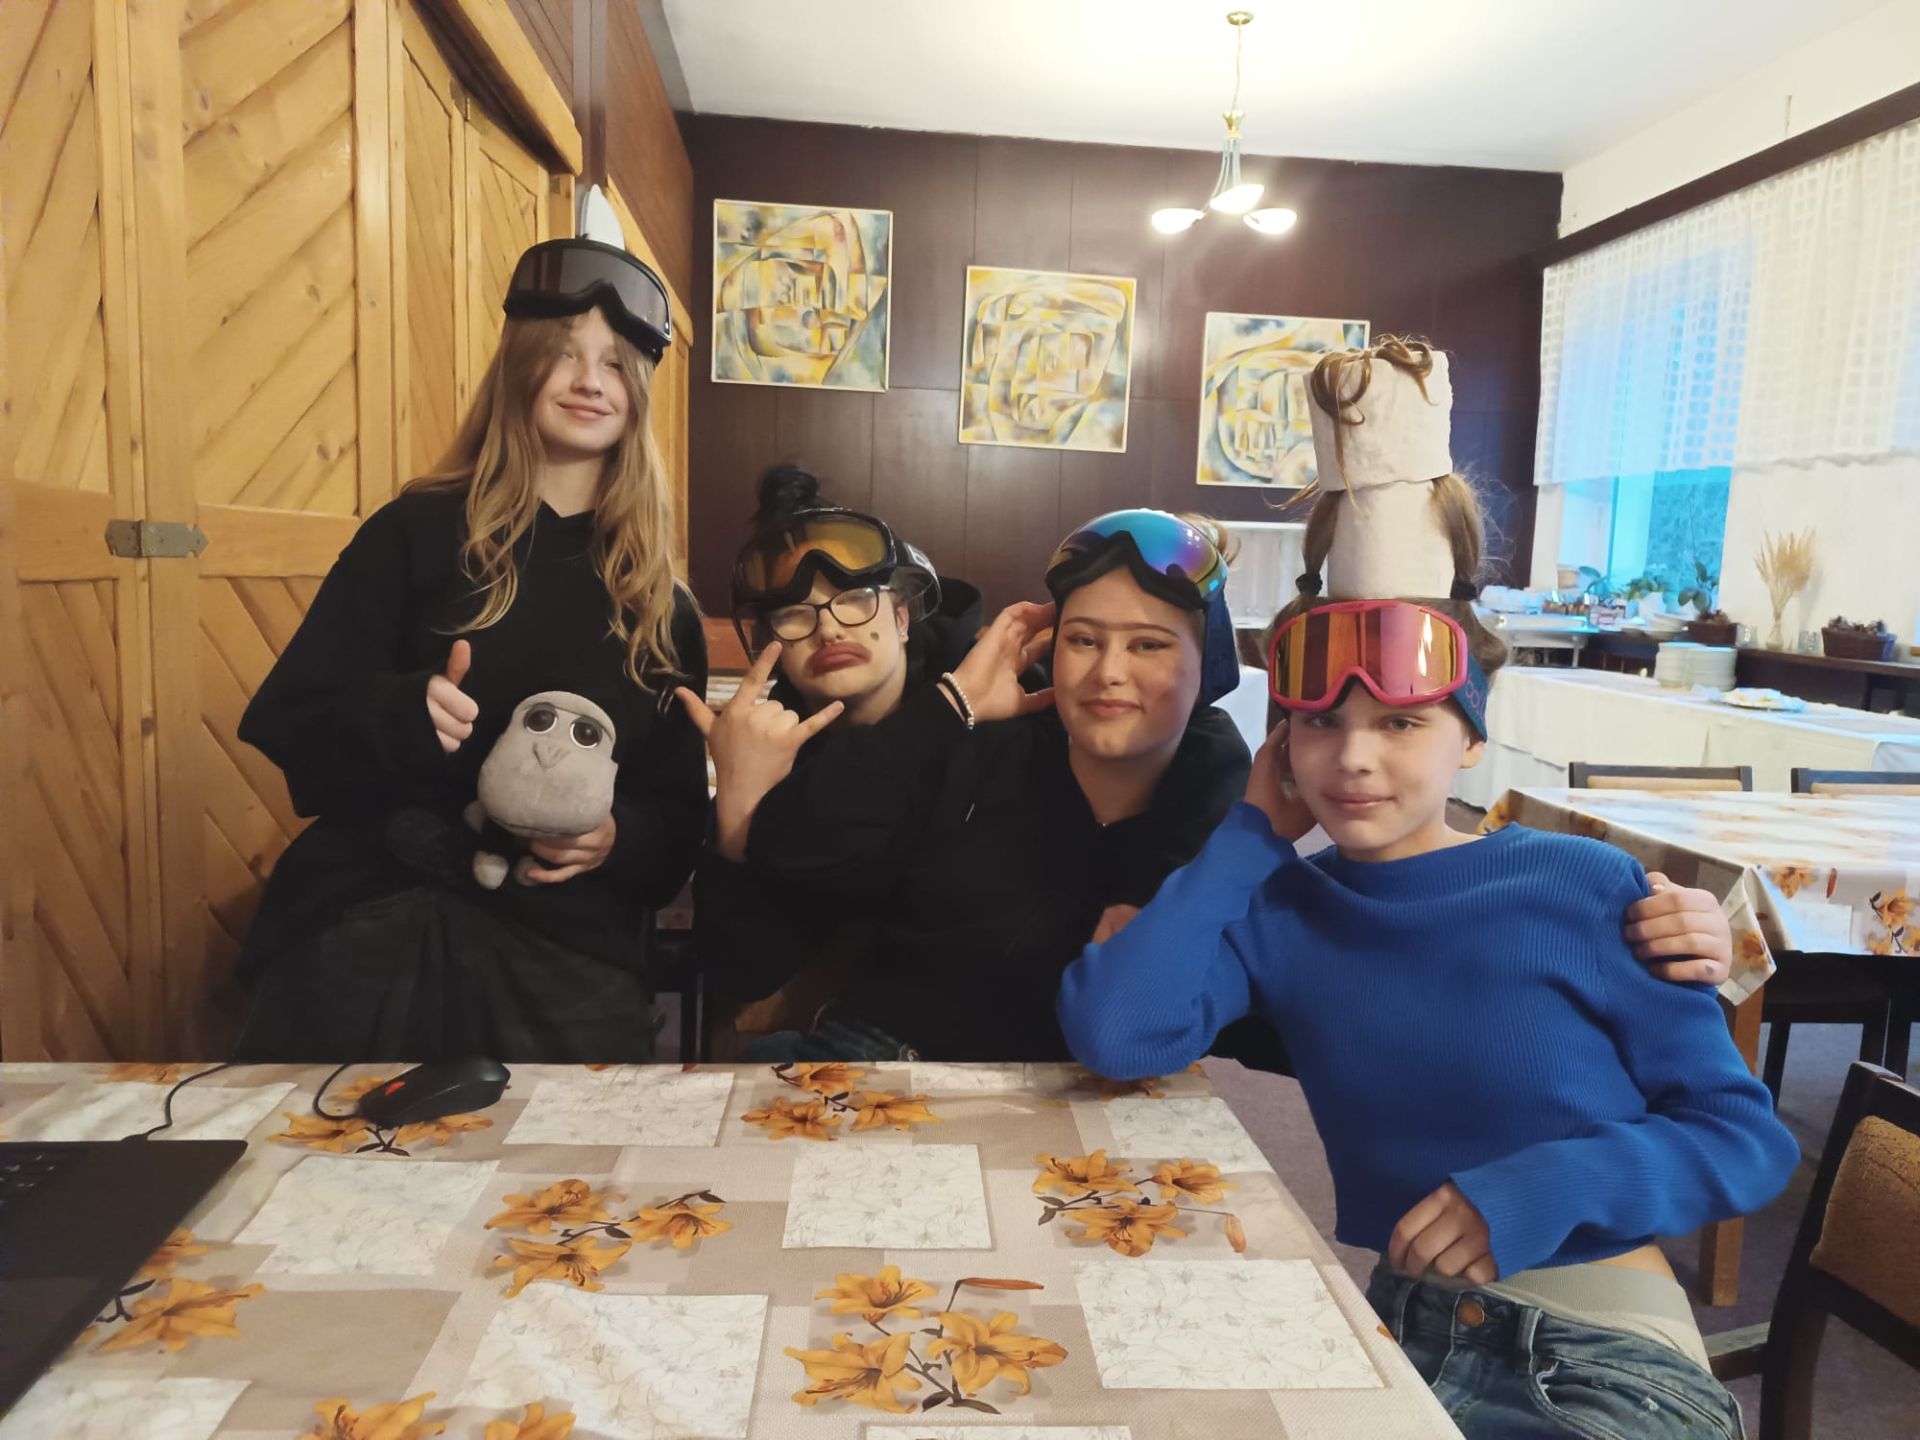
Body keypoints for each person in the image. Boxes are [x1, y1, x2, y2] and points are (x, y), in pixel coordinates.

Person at [1056, 338, 1796, 1440]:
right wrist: (1250, 835)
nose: (1354, 760)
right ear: (1282, 741)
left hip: (1597, 1351)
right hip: (1403, 1335)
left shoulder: (1586, 886)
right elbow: (1117, 1031)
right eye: (1321, 724)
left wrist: (1545, 1187)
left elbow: (1745, 1138)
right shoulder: (1281, 910)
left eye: (1402, 724)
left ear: (1472, 740)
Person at [232, 239, 707, 1063]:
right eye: (563, 354)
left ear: (638, 393)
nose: (589, 381)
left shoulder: (662, 608)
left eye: (614, 364)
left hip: (565, 960)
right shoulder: (410, 535)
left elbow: (674, 822)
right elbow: (292, 726)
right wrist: (397, 714)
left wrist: (616, 838)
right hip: (367, 933)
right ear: (518, 367)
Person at [715, 508, 1256, 1061]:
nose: (1109, 672)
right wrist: (951, 706)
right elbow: (786, 852)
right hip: (881, 1048)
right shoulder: (986, 740)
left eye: (1149, 645)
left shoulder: (1214, 783)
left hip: (1083, 1077)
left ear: (1208, 665)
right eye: (1083, 640)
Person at [677, 465, 986, 1022]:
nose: (829, 630)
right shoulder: (773, 753)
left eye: (853, 599)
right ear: (771, 648)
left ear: (901, 617)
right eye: (795, 615)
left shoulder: (986, 712)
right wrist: (738, 813)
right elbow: (739, 971)